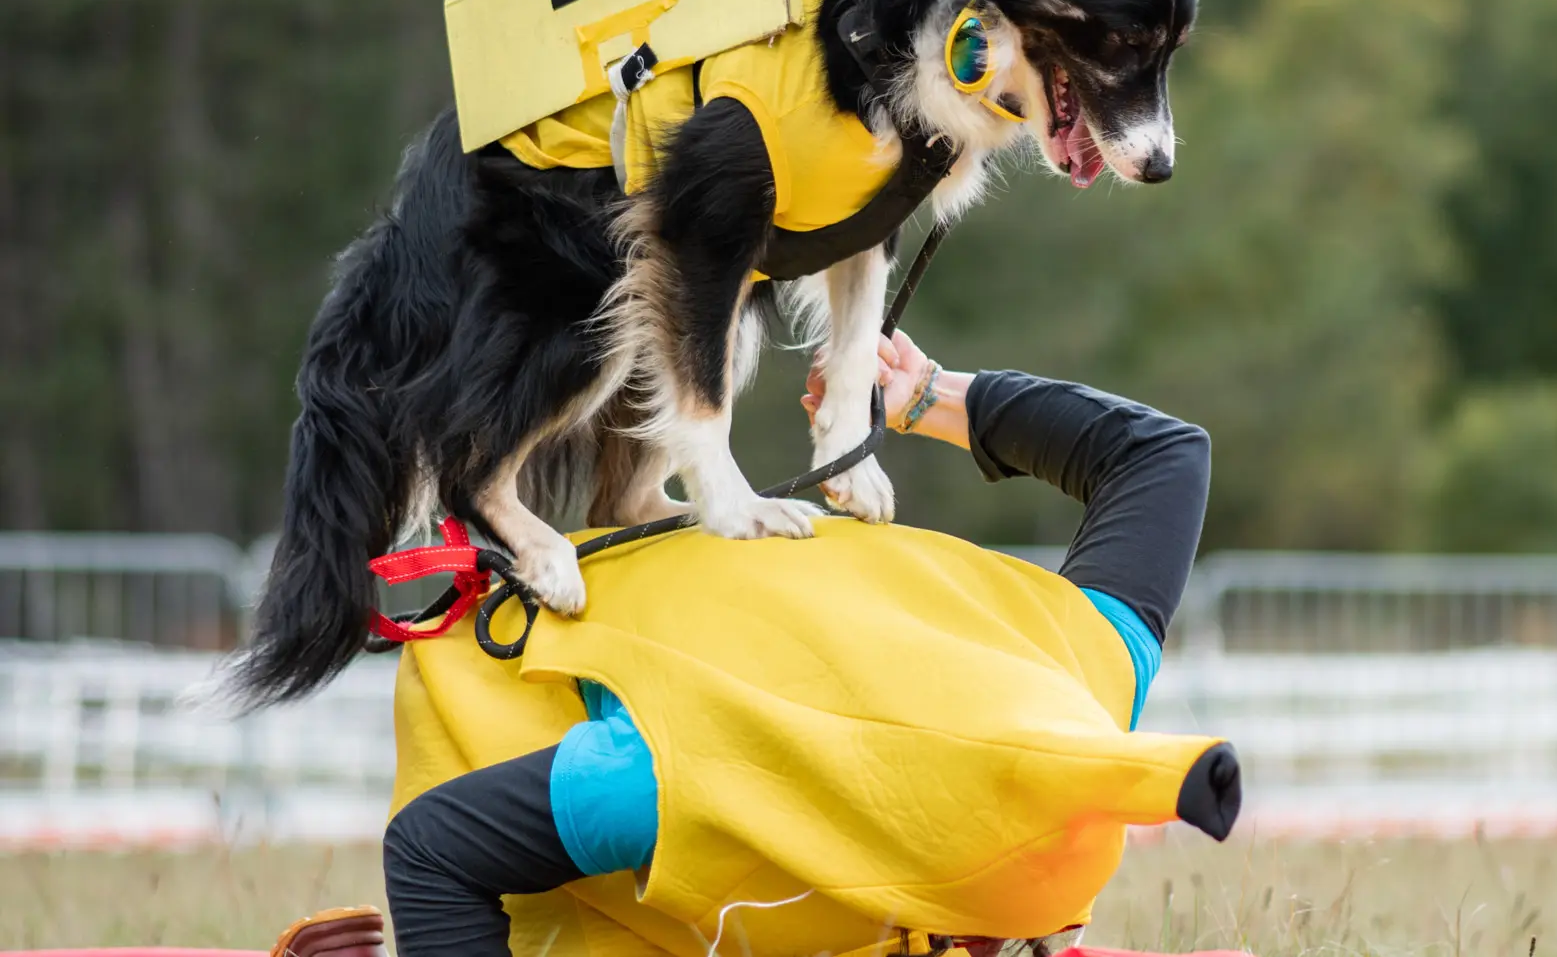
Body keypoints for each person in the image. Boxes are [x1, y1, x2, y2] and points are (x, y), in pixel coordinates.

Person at [382, 331, 1226, 956]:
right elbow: (429, 850)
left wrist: (928, 395)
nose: (986, 946)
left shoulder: (1084, 669)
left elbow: (1163, 456)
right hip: (492, 684)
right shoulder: (690, 774)